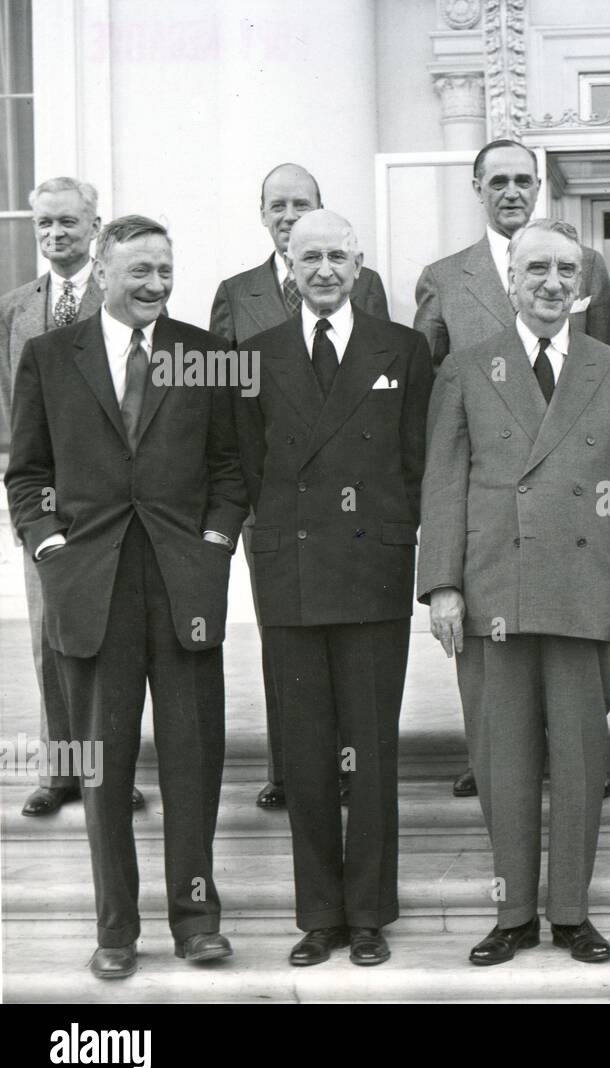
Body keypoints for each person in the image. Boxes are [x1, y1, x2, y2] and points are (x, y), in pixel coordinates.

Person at [420, 218, 610, 965]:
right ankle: (513, 913)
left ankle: (571, 913)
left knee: (583, 759)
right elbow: (444, 480)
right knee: (502, 758)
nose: (553, 283)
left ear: (583, 285)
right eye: (537, 270)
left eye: (566, 270)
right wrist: (442, 584)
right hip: (495, 585)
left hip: (588, 586)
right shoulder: (467, 367)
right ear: (511, 282)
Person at [6, 215, 247, 979]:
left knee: (193, 761)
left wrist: (215, 542)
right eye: (140, 269)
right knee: (101, 766)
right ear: (103, 270)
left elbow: (230, 466)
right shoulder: (51, 356)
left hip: (184, 585)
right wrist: (50, 548)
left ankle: (197, 921)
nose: (155, 284)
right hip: (90, 585)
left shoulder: (204, 355)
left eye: (165, 270)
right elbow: (26, 472)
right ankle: (116, 929)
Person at [233, 210, 433, 968]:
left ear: (358, 266)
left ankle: (370, 912)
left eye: (337, 257)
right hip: (291, 569)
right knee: (306, 749)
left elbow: (416, 460)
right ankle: (319, 913)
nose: (323, 269)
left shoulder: (403, 348)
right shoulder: (255, 355)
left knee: (370, 749)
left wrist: (389, 529)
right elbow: (248, 464)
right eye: (309, 256)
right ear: (288, 265)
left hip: (372, 568)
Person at [413, 139, 610, 800]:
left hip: (574, 522)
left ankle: (577, 762)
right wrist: (441, 570)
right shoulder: (445, 277)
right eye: (497, 180)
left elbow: (605, 382)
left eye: (523, 180)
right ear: (477, 187)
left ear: (538, 186)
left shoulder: (589, 266)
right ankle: (500, 764)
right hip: (496, 524)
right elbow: (432, 404)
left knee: (578, 695)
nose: (511, 191)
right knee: (500, 710)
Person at [210, 162, 390, 810]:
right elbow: (224, 403)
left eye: (301, 203)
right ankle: (288, 768)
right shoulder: (236, 293)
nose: (289, 215)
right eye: (278, 205)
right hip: (275, 502)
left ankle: (346, 764)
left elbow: (376, 381)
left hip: (351, 503)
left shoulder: (364, 284)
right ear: (262, 215)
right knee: (283, 637)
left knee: (350, 640)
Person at [0, 177, 145, 818]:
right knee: (48, 634)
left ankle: (112, 773)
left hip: (112, 496)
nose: (56, 234)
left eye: (68, 221)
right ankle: (61, 771)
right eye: (45, 223)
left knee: (113, 637)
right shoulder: (14, 309)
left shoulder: (120, 296)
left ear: (95, 226)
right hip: (44, 499)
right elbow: (13, 409)